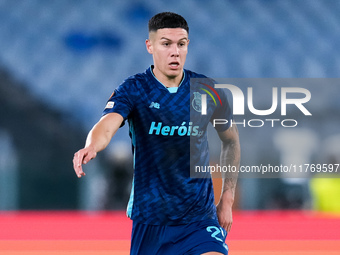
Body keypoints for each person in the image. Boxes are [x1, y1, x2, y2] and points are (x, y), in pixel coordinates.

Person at [73, 12, 240, 255]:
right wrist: (92, 145)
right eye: (166, 44)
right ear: (150, 46)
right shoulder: (135, 89)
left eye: (181, 44)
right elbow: (107, 124)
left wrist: (227, 197)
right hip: (151, 222)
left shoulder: (207, 90)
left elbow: (231, 141)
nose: (175, 52)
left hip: (199, 220)